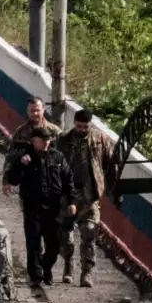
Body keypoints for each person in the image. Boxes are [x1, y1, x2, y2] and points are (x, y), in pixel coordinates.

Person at [3, 115, 73, 295]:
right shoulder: (24, 157)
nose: (47, 144)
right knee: (33, 242)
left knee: (54, 244)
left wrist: (72, 201)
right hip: (33, 207)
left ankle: (45, 266)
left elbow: (68, 180)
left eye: (48, 140)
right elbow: (13, 178)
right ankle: (35, 276)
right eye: (43, 141)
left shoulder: (57, 157)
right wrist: (21, 165)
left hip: (53, 208)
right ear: (34, 141)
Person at [59, 109, 107, 287]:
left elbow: (111, 162)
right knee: (66, 236)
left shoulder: (99, 139)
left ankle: (87, 273)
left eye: (85, 127)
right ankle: (68, 266)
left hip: (89, 196)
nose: (82, 129)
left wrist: (113, 190)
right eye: (79, 126)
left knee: (88, 232)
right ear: (74, 123)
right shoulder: (63, 140)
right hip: (67, 196)